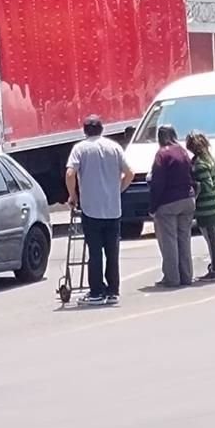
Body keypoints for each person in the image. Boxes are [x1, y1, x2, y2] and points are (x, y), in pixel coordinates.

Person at [66, 115, 134, 306]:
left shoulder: (80, 148)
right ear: (102, 129)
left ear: (85, 130)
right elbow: (130, 173)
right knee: (112, 252)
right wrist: (117, 189)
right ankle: (113, 291)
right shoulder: (114, 147)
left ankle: (96, 291)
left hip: (91, 209)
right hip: (113, 209)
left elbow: (70, 173)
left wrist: (73, 196)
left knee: (95, 252)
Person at [149, 125, 196, 287]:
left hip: (168, 202)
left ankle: (172, 278)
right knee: (184, 239)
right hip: (188, 200)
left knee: (169, 241)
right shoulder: (183, 152)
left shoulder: (162, 154)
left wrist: (153, 207)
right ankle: (186, 276)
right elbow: (192, 174)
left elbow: (158, 183)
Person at [186, 131, 215, 282]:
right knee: (213, 236)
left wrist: (193, 189)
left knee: (211, 238)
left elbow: (206, 185)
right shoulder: (210, 159)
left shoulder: (200, 165)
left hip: (208, 205)